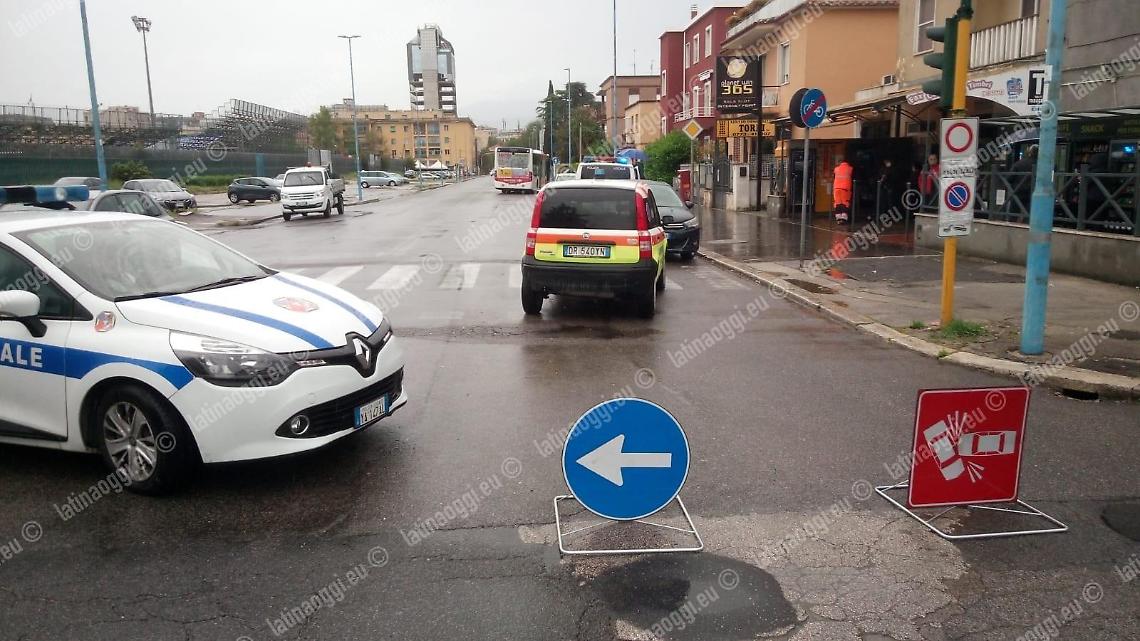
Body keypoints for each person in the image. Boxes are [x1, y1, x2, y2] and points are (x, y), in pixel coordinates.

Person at [832, 157, 854, 223]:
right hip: (845, 189)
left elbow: (834, 176)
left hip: (836, 188)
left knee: (837, 203)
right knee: (845, 203)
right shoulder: (850, 168)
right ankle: (844, 218)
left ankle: (838, 218)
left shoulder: (836, 169)